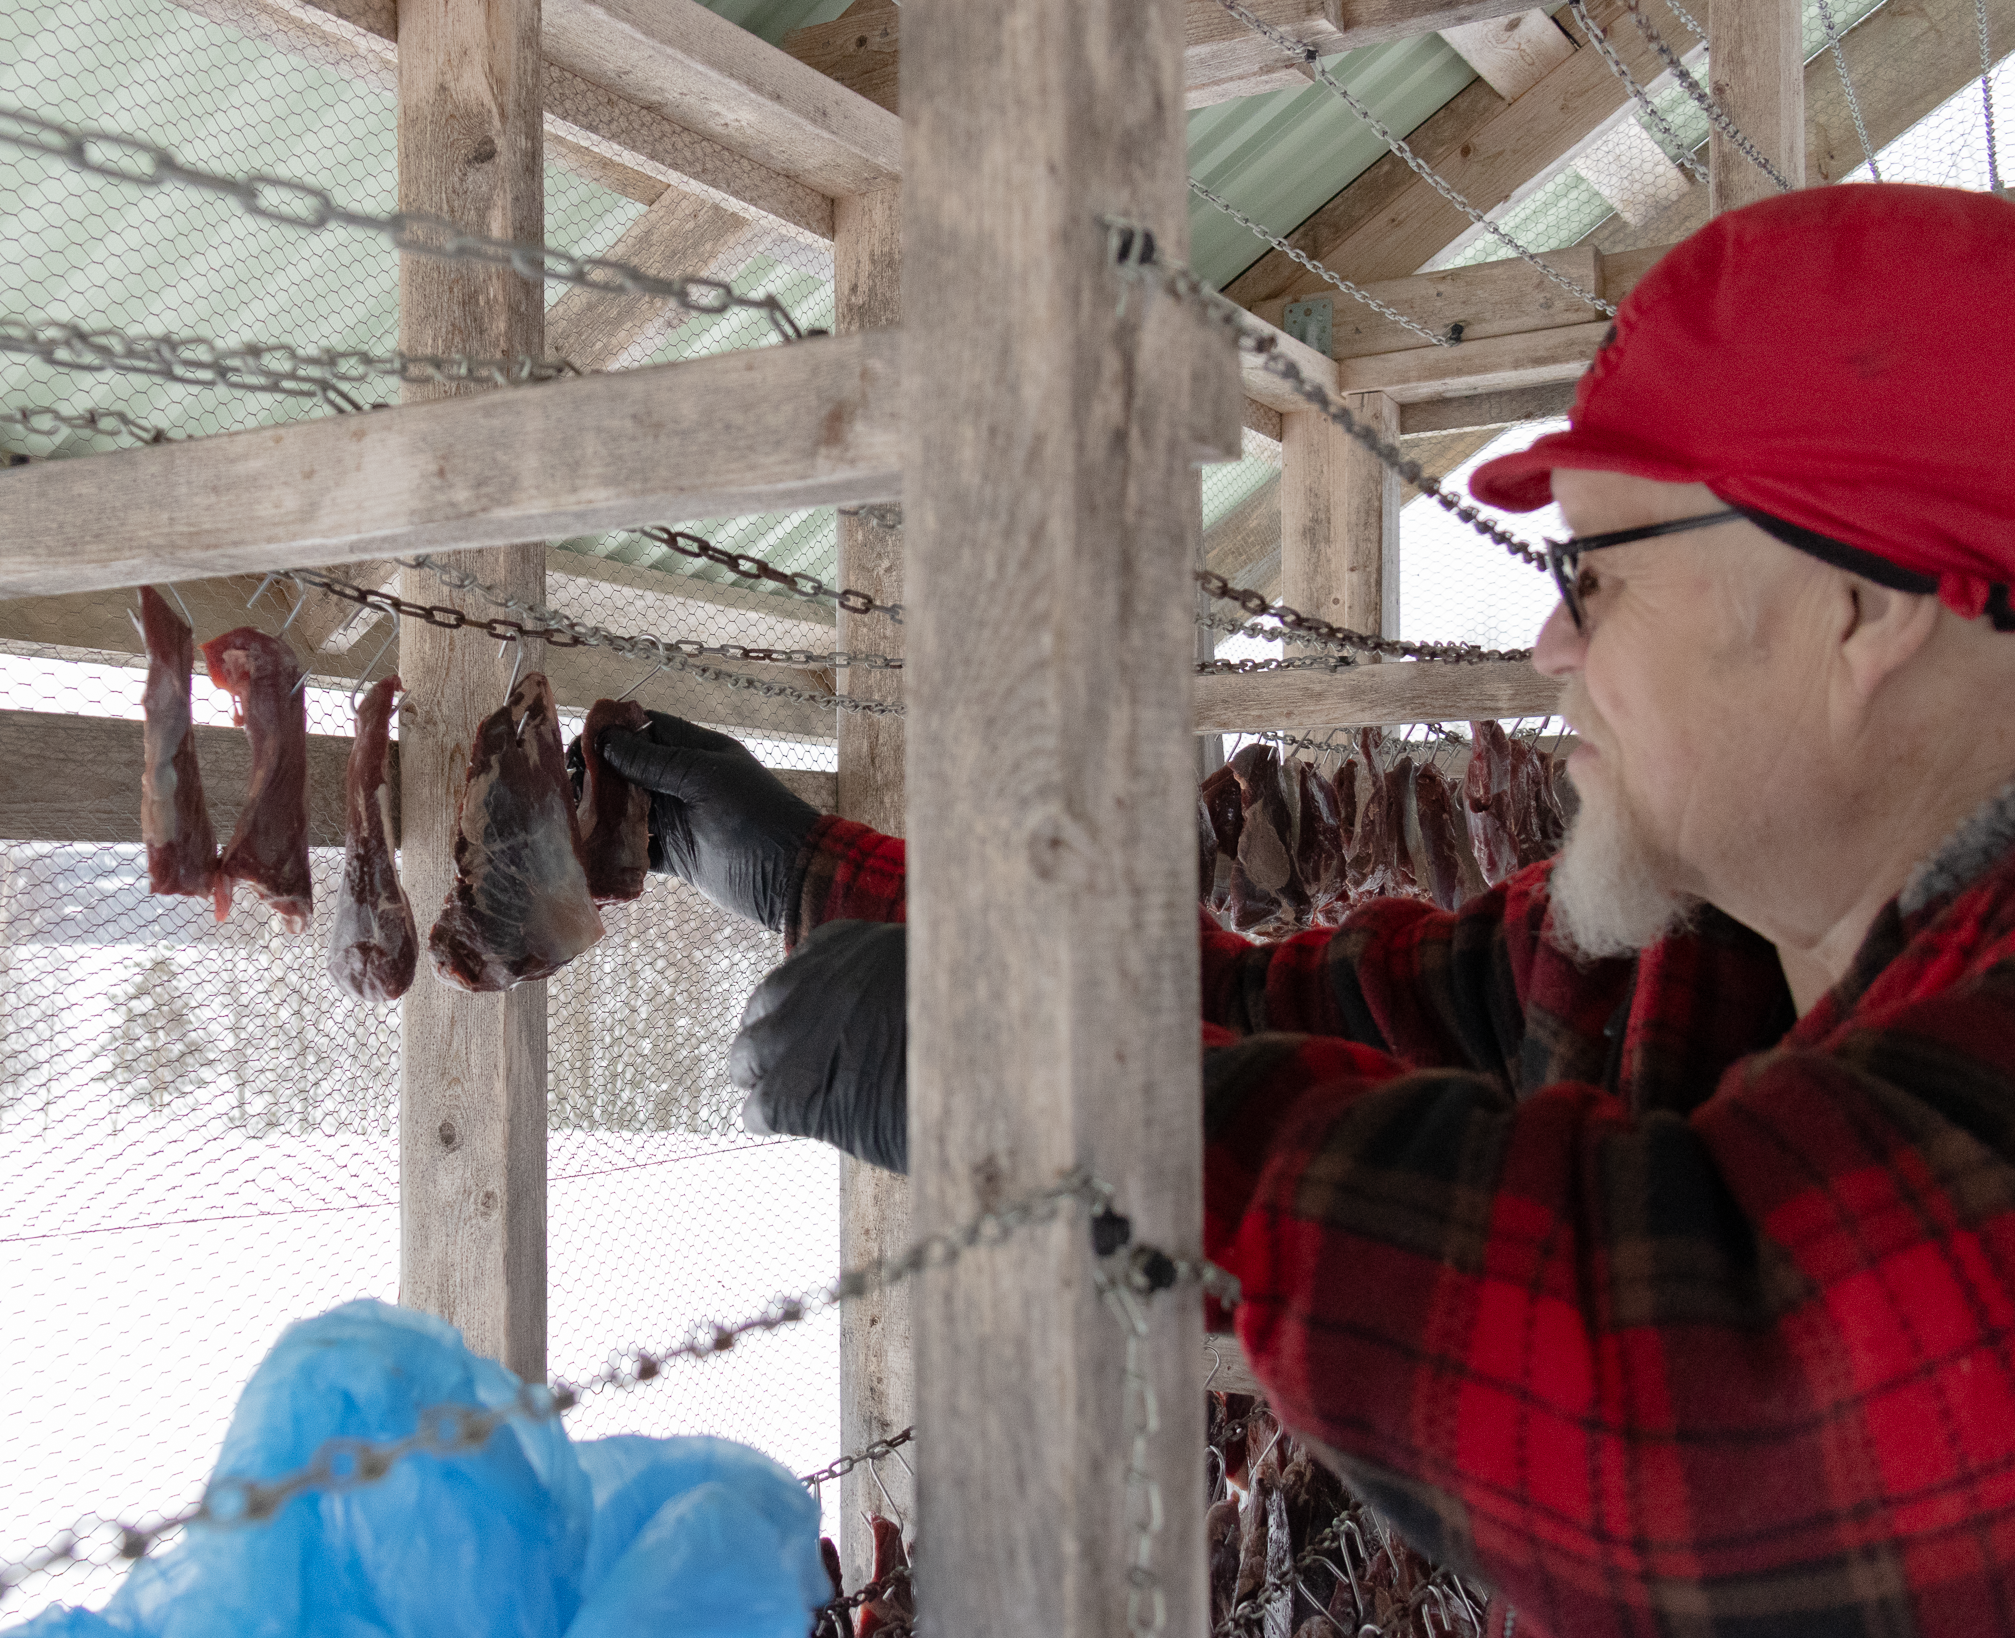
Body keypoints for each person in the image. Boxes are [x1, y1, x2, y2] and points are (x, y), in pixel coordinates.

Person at [596, 184, 2015, 1634]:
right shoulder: (1669, 953)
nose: (1547, 643)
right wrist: (806, 873)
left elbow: (1718, 1414)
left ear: (1864, 599)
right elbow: (1278, 1013)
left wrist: (1047, 1094)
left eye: (1598, 575)